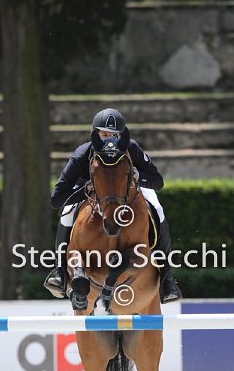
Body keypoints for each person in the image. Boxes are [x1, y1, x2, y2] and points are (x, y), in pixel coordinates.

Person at [44, 108, 182, 303]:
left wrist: (138, 176)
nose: (110, 139)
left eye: (114, 135)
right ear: (95, 135)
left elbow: (157, 181)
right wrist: (86, 189)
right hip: (92, 192)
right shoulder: (82, 154)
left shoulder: (131, 148)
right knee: (67, 212)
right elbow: (56, 199)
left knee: (157, 209)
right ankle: (60, 272)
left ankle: (167, 278)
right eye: (104, 134)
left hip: (128, 188)